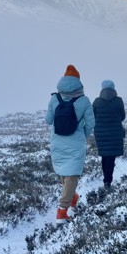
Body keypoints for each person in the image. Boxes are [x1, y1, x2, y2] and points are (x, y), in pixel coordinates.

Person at [45, 64, 94, 224]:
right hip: (76, 142)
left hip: (57, 141)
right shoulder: (84, 100)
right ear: (78, 81)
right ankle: (62, 211)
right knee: (72, 175)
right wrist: (82, 135)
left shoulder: (54, 98)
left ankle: (72, 197)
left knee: (64, 173)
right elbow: (91, 122)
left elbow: (48, 120)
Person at [92, 79, 126, 189]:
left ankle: (106, 178)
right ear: (113, 88)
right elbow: (122, 117)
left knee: (104, 155)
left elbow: (92, 117)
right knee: (111, 157)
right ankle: (108, 180)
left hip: (100, 133)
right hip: (115, 132)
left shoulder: (96, 101)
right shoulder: (119, 100)